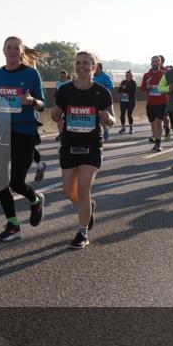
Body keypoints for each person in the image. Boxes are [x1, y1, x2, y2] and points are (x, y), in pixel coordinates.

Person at [0, 36, 47, 242]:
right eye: (8, 47)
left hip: (24, 132)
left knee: (16, 183)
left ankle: (35, 200)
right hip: (1, 131)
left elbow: (42, 104)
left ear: (21, 51)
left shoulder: (31, 74)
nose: (11, 51)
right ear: (3, 50)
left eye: (15, 48)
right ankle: (12, 225)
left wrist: (31, 101)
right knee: (1, 182)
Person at [52, 50, 115, 249]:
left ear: (94, 67)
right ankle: (88, 206)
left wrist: (107, 118)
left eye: (86, 63)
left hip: (92, 146)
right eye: (78, 63)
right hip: (70, 145)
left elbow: (113, 121)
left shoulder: (102, 92)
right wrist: (54, 115)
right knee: (69, 191)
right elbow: (56, 116)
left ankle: (82, 232)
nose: (82, 67)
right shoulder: (65, 91)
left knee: (84, 187)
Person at [141, 55, 168, 152]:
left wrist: (162, 89)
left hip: (162, 102)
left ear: (160, 63)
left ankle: (158, 144)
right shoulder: (146, 75)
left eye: (157, 61)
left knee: (158, 123)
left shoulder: (164, 74)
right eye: (154, 61)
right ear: (151, 63)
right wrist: (147, 87)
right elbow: (142, 89)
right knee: (153, 124)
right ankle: (156, 140)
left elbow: (169, 88)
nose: (155, 63)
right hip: (151, 103)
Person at [93, 63, 115, 141]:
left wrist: (102, 89)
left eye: (97, 68)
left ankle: (105, 129)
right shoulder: (92, 77)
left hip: (104, 99)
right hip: (93, 100)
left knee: (101, 115)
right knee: (96, 117)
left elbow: (111, 87)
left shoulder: (106, 77)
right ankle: (100, 131)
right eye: (94, 67)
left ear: (101, 68)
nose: (95, 69)